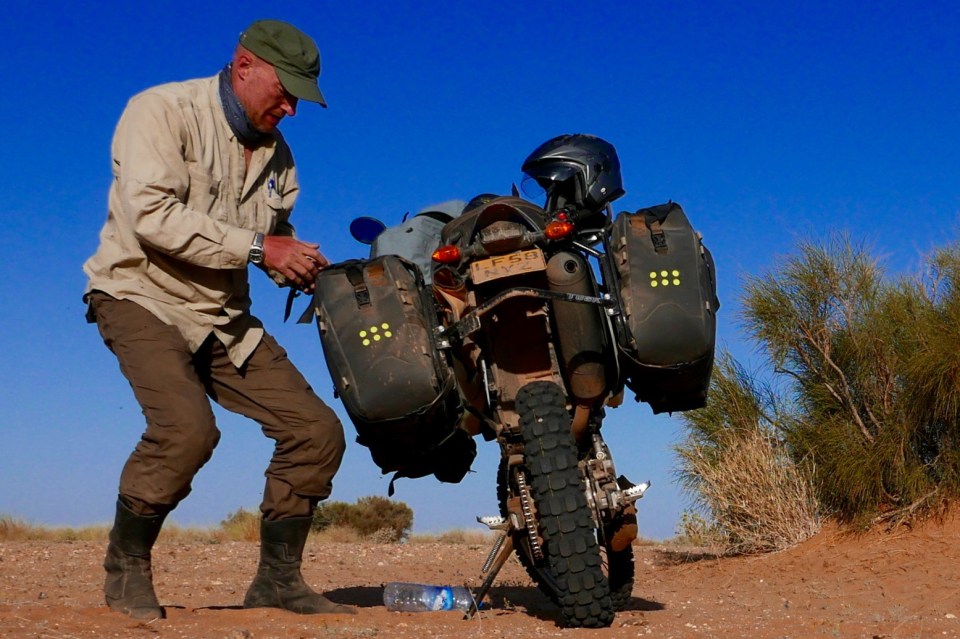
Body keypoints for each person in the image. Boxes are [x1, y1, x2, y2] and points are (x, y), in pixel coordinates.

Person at [83, 19, 354, 620]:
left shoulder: (281, 158)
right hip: (140, 295)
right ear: (244, 65)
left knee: (316, 432)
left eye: (299, 99)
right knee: (187, 429)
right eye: (285, 92)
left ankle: (277, 581)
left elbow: (272, 235)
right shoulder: (161, 111)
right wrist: (261, 248)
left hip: (223, 317)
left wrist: (297, 263)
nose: (290, 109)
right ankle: (126, 569)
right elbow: (152, 215)